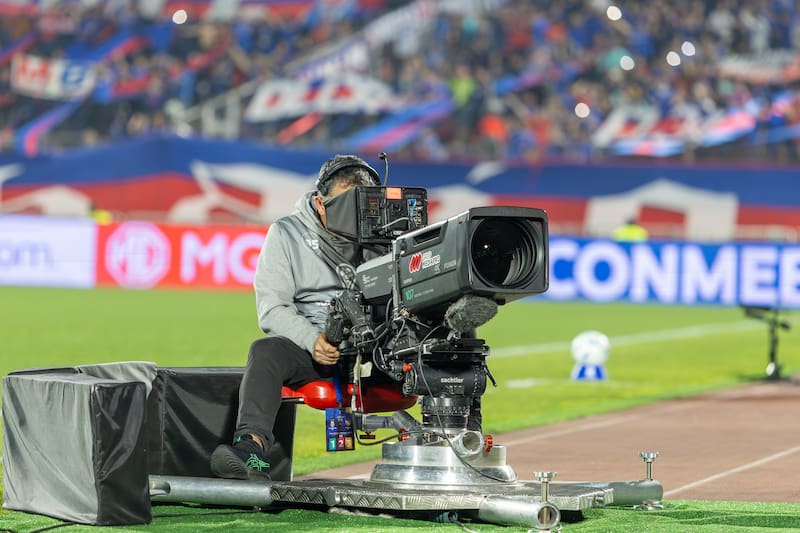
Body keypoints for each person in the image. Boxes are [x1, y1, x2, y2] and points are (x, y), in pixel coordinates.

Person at [210, 154, 381, 480]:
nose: (353, 217)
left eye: (360, 207)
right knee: (267, 351)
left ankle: (462, 434)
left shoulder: (385, 234)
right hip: (317, 347)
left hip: (378, 344)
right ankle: (251, 449)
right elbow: (272, 308)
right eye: (343, 206)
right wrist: (312, 340)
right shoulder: (286, 234)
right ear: (320, 203)